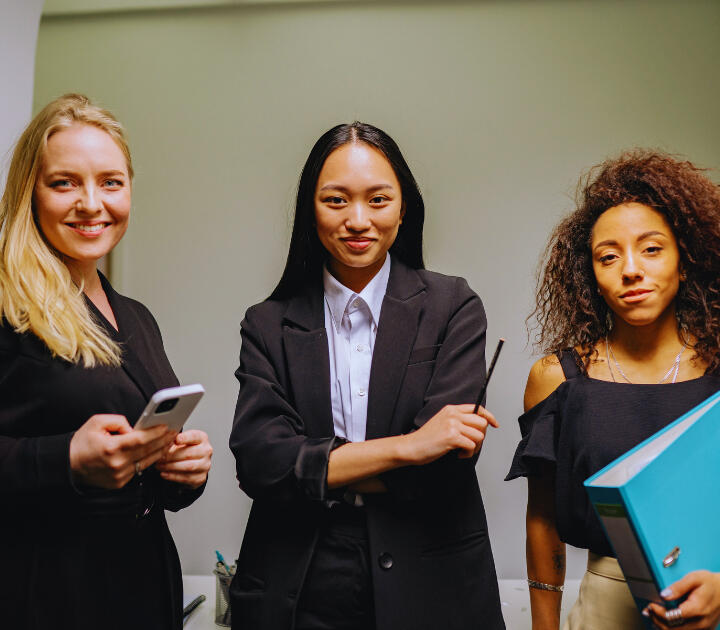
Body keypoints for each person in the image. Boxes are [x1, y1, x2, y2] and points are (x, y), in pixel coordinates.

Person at [229, 122, 505, 630]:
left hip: (430, 580)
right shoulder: (267, 323)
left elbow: (442, 470)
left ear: (403, 208)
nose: (358, 220)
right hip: (302, 581)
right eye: (336, 200)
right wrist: (409, 447)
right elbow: (260, 464)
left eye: (378, 200)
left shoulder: (453, 307)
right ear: (310, 209)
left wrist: (314, 471)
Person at [0, 94, 213, 630]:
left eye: (111, 182)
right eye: (64, 183)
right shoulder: (6, 303)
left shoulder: (136, 317)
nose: (92, 203)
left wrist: (180, 472)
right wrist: (66, 458)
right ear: (30, 191)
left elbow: (139, 472)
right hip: (46, 594)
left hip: (141, 588)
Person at [506, 150, 720, 630]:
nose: (630, 270)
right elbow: (542, 519)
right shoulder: (558, 378)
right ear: (592, 277)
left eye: (651, 249)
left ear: (685, 263)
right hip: (606, 606)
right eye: (608, 256)